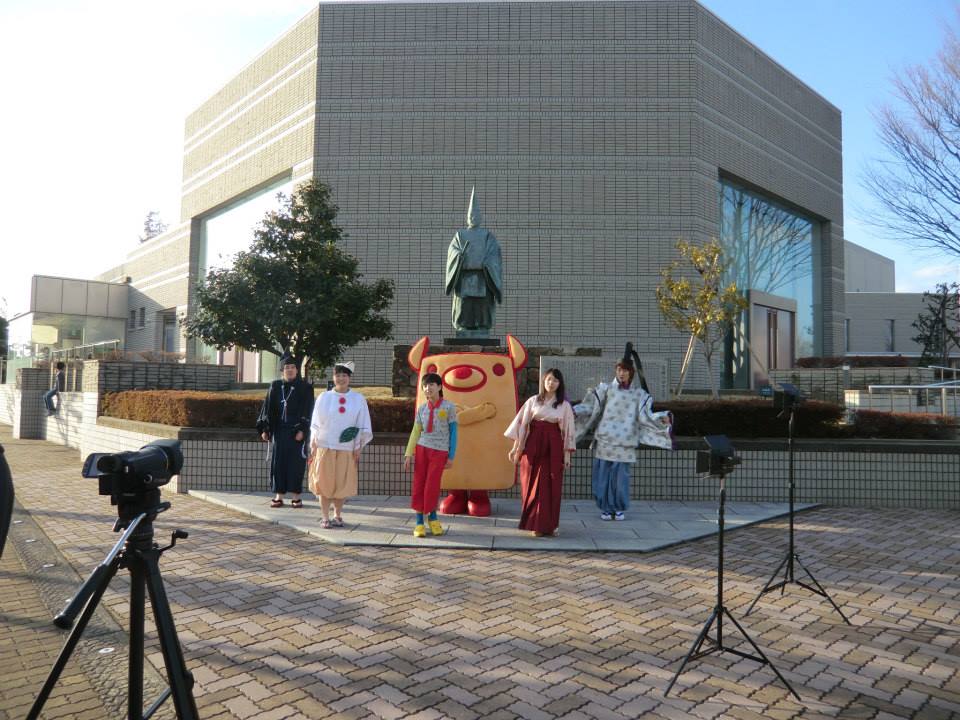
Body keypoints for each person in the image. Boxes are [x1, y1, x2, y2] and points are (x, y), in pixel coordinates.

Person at [573, 343, 674, 521]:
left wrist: (662, 417)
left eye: (625, 370)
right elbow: (590, 406)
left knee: (620, 478)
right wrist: (573, 411)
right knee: (603, 476)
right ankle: (606, 508)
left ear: (631, 372)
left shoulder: (638, 394)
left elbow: (645, 416)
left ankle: (618, 508)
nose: (621, 373)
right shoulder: (605, 389)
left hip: (626, 441)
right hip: (605, 439)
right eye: (619, 370)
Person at [504, 368, 575, 537]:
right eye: (549, 379)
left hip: (553, 446)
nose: (551, 383)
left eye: (555, 380)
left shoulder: (564, 405)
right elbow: (522, 424)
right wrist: (516, 448)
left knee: (551, 484)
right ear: (543, 381)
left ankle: (550, 525)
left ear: (560, 384)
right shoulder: (533, 400)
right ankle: (534, 523)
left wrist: (566, 455)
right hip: (533, 444)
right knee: (531, 483)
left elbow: (568, 431)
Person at [308, 361, 372, 529]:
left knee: (342, 484)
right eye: (338, 375)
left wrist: (358, 446)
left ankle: (337, 515)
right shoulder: (324, 397)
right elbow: (315, 421)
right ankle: (325, 517)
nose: (341, 378)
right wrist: (313, 440)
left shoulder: (358, 399)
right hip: (325, 445)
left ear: (349, 378)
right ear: (333, 377)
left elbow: (362, 423)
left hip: (347, 447)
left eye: (344, 375)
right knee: (324, 483)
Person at [403, 373, 458, 538]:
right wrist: (408, 453)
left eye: (431, 385)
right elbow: (415, 432)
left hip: (440, 451)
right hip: (422, 449)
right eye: (425, 386)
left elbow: (454, 433)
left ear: (439, 387)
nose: (428, 388)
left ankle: (433, 518)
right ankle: (419, 521)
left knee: (432, 485)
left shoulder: (449, 407)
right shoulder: (422, 409)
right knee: (419, 484)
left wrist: (451, 456)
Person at [257, 354, 314, 509]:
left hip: (296, 431)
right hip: (279, 431)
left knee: (296, 464)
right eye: (286, 368)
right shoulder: (275, 386)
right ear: (282, 370)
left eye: (292, 367)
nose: (289, 370)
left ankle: (296, 496)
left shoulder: (305, 387)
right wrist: (266, 428)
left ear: (297, 370)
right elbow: (268, 408)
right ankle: (279, 495)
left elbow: (308, 410)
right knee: (278, 463)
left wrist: (303, 430)